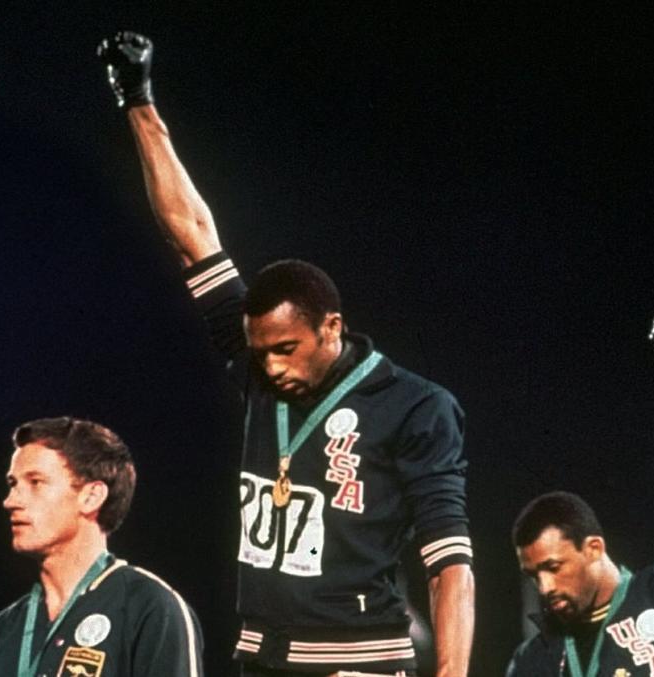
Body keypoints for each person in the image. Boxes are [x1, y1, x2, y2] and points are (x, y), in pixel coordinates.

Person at [96, 31, 475, 677]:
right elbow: (191, 234)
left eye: (287, 349)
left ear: (333, 328)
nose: (271, 367)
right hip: (261, 656)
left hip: (360, 662)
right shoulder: (258, 366)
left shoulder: (417, 406)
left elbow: (450, 562)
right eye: (261, 351)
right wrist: (137, 99)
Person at [506, 315, 654, 676]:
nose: (545, 587)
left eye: (552, 567)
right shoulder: (534, 660)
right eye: (534, 575)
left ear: (593, 548)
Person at [0, 416, 205, 676]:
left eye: (35, 482)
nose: (10, 501)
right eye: (13, 484)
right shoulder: (5, 628)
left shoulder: (150, 607)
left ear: (91, 497)